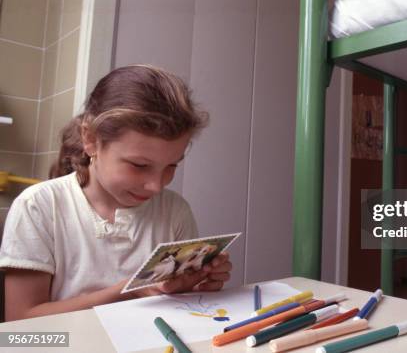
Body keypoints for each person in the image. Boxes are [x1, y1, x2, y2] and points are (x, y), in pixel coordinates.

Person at [0, 65, 233, 321]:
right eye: (139, 165)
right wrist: (130, 291)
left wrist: (196, 286)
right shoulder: (38, 206)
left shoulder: (175, 211)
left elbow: (176, 306)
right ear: (90, 139)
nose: (157, 186)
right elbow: (20, 329)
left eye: (171, 166)